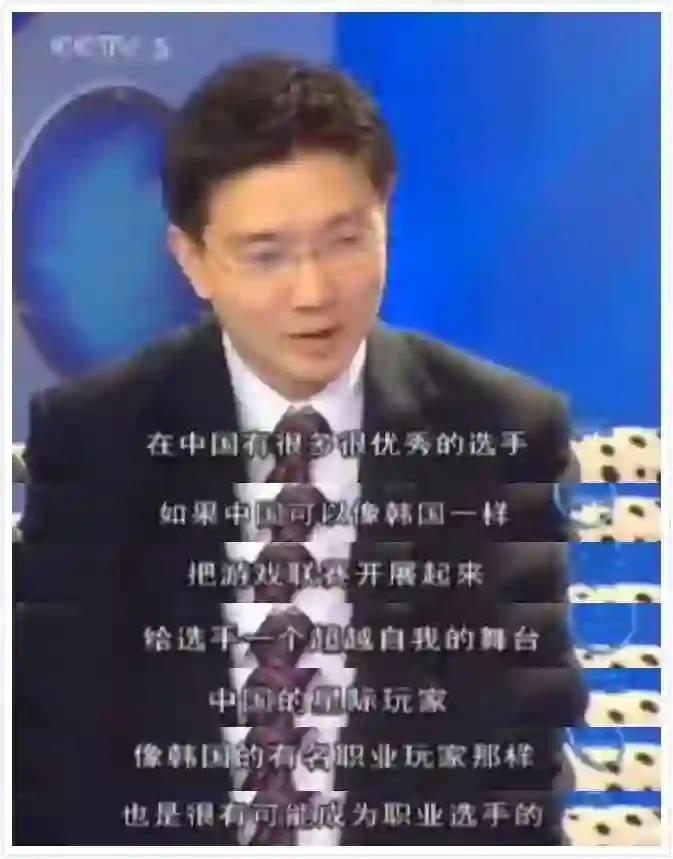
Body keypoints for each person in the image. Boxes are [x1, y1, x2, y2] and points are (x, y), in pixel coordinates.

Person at [14, 54, 588, 846]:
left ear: (385, 218)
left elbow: (516, 760)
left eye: (345, 240)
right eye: (266, 254)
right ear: (192, 259)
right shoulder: (97, 438)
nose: (314, 292)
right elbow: (53, 751)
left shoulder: (497, 432)